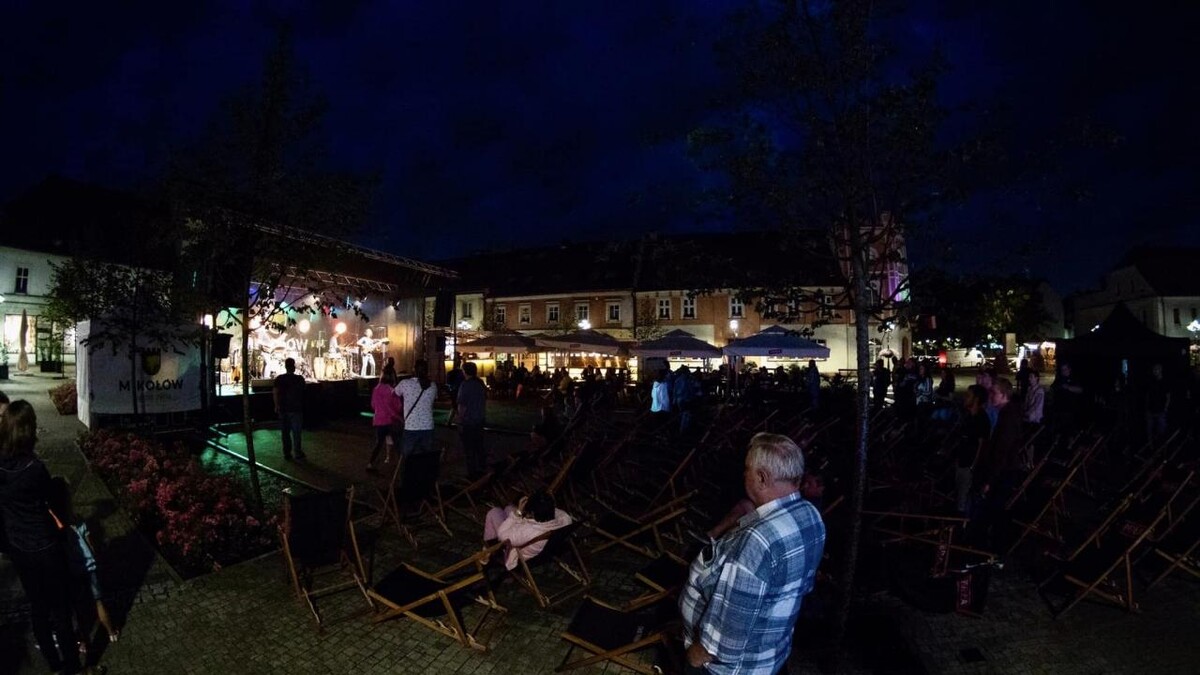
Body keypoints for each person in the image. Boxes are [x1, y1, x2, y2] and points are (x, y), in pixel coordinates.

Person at [680, 433, 826, 675]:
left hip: (729, 668)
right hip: (770, 652)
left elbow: (729, 628)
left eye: (747, 469)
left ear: (762, 478)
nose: (743, 474)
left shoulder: (758, 541)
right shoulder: (809, 515)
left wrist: (696, 657)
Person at [0, 400, 83, 673]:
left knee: (37, 606)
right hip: (45, 547)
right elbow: (52, 502)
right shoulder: (34, 468)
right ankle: (72, 668)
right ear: (28, 430)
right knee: (60, 609)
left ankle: (54, 664)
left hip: (18, 548)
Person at [47, 477, 120, 646]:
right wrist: (95, 558)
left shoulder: (55, 527)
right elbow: (90, 545)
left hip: (72, 571)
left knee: (79, 609)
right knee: (98, 601)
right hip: (89, 566)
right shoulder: (77, 520)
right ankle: (111, 632)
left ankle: (83, 643)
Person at [483, 490, 573, 570]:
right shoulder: (564, 520)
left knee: (494, 512)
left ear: (532, 513)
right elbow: (558, 512)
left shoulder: (531, 531)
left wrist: (518, 513)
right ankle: (489, 550)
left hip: (516, 553)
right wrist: (541, 502)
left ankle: (488, 552)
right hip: (538, 548)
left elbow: (502, 535)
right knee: (509, 509)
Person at [956, 385, 991, 514]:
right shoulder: (968, 416)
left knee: (965, 500)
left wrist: (973, 466)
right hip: (962, 462)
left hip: (969, 466)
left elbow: (982, 445)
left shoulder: (982, 419)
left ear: (976, 399)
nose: (965, 398)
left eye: (968, 396)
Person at [394, 359, 436, 458]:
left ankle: (410, 468)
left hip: (411, 426)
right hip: (428, 425)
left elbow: (394, 394)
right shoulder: (433, 385)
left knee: (407, 456)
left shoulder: (405, 383)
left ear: (414, 369)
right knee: (426, 456)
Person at [366, 371, 403, 473]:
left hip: (379, 420)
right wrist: (398, 417)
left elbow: (373, 405)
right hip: (390, 420)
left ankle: (371, 463)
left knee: (379, 443)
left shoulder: (376, 389)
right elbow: (396, 406)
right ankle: (402, 464)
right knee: (397, 443)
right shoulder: (391, 390)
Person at [458, 361, 489, 479]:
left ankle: (472, 473)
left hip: (469, 420)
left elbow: (462, 405)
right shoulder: (480, 384)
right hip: (479, 418)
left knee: (469, 448)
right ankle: (482, 468)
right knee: (479, 446)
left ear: (465, 372)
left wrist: (460, 420)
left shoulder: (465, 385)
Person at [273, 357, 306, 460]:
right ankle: (297, 452)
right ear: (294, 367)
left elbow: (275, 393)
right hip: (296, 408)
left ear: (285, 366)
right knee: (296, 432)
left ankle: (287, 453)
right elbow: (303, 392)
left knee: (285, 432)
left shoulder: (279, 379)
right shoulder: (299, 379)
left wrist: (276, 405)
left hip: (284, 408)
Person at [1144, 363, 1170, 445]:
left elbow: (1168, 396)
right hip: (1151, 409)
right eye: (1154, 370)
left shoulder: (1165, 382)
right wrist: (1146, 408)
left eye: (1156, 369)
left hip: (1161, 410)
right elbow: (1148, 395)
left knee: (1161, 430)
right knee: (1149, 430)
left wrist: (1166, 408)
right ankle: (1150, 445)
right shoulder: (1151, 381)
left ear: (1160, 370)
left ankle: (1161, 445)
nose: (1155, 371)